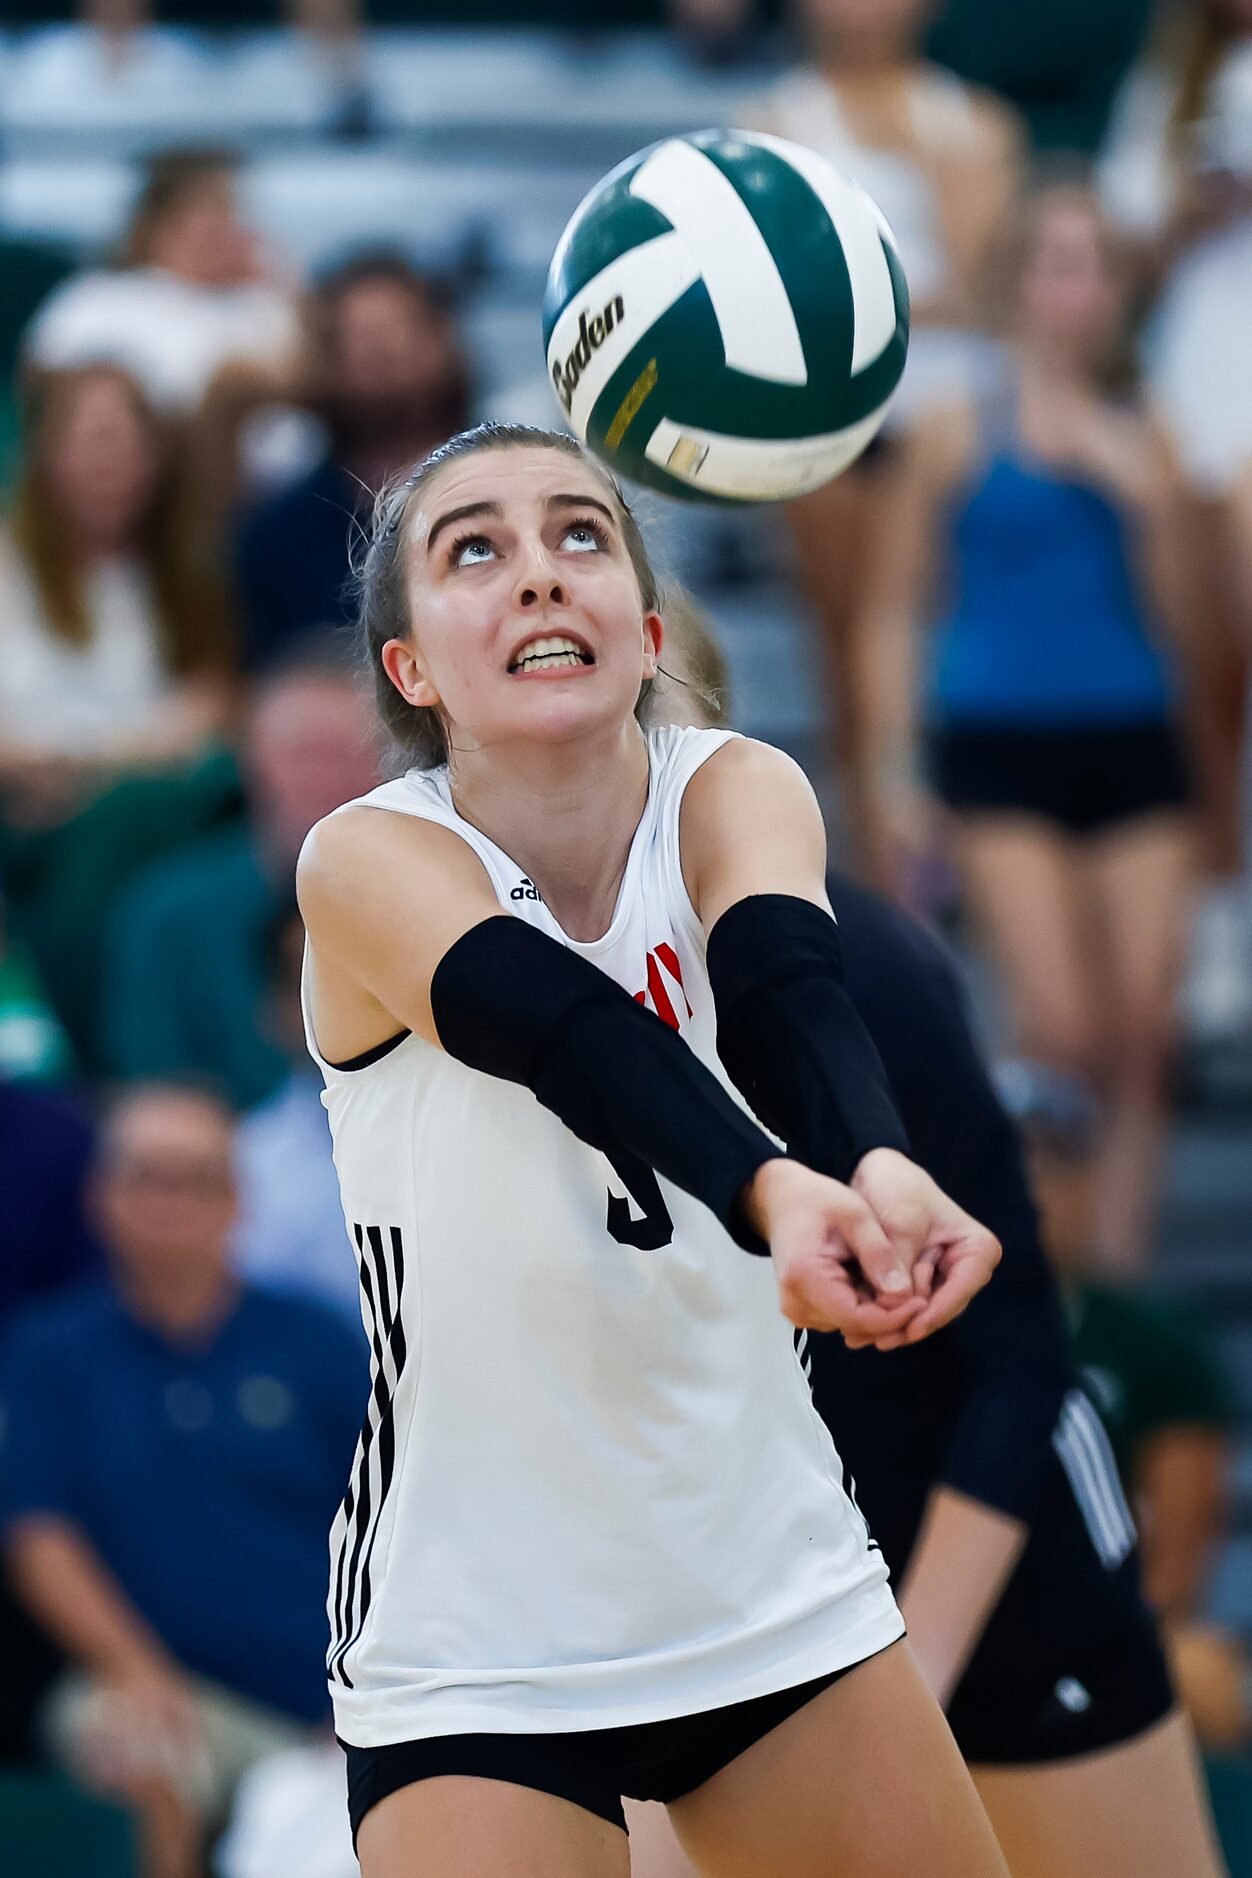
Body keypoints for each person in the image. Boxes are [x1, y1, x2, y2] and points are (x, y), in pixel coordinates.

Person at [297, 418, 1007, 1878]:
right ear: (411, 670)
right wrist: (773, 1189)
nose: (541, 576)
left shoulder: (733, 784)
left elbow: (787, 986)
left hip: (764, 1579)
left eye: (580, 535)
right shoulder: (366, 856)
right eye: (474, 549)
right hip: (479, 1635)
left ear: (649, 626)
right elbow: (566, 1031)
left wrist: (872, 1161)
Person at [625, 591, 1226, 1878]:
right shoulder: (525, 985)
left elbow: (1017, 1361)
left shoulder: (864, 961)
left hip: (988, 1572)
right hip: (735, 1586)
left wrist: (911, 1671)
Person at [856, 180, 1196, 1273]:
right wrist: (894, 767)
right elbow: (894, 606)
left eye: (1092, 264)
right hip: (998, 741)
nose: (1071, 287)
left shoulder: (1150, 435)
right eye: (1051, 261)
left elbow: (1195, 629)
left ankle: (1120, 1284)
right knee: (1059, 1026)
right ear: (1014, 280)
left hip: (1135, 735)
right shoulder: (957, 428)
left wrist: (1145, 498)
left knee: (1144, 1034)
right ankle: (1025, 1266)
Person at [0, 1083, 367, 1878]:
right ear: (100, 1196)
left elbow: (394, 1521)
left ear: (238, 1199)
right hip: (162, 1687)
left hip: (334, 1700)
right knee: (129, 1743)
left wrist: (368, 1688)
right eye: (145, 1177)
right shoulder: (51, 1354)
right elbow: (36, 1531)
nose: (170, 1203)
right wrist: (133, 1668)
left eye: (196, 1179)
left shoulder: (317, 1343)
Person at [747, 0, 1024, 851]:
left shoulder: (974, 120)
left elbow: (991, 289)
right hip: (831, 413)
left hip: (949, 409)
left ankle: (971, 841)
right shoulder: (772, 126)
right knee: (845, 643)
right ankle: (876, 851)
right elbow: (767, 296)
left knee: (953, 638)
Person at [104, 654, 379, 1110]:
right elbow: (154, 1083)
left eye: (348, 754)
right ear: (254, 761)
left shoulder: (424, 897)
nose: (326, 777)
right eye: (305, 754)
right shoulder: (169, 913)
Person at [0, 364, 233, 832]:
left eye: (126, 444)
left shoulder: (187, 572)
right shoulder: (9, 565)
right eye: (91, 442)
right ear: (46, 454)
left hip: (138, 809)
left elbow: (212, 700)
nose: (108, 466)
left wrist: (100, 768)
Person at [233, 254, 472, 671]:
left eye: (399, 330)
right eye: (358, 336)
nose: (380, 351)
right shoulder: (272, 539)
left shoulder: (517, 501)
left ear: (441, 340)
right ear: (323, 361)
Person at [24, 148, 301, 419]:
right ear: (160, 223)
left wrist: (280, 285)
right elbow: (48, 388)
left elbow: (302, 385)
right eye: (213, 208)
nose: (231, 224)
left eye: (234, 210)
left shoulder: (260, 300)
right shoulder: (97, 298)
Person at [231, 904, 360, 1322]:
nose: (359, 1001)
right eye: (321, 983)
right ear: (276, 1012)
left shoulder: (499, 1136)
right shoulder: (245, 1166)